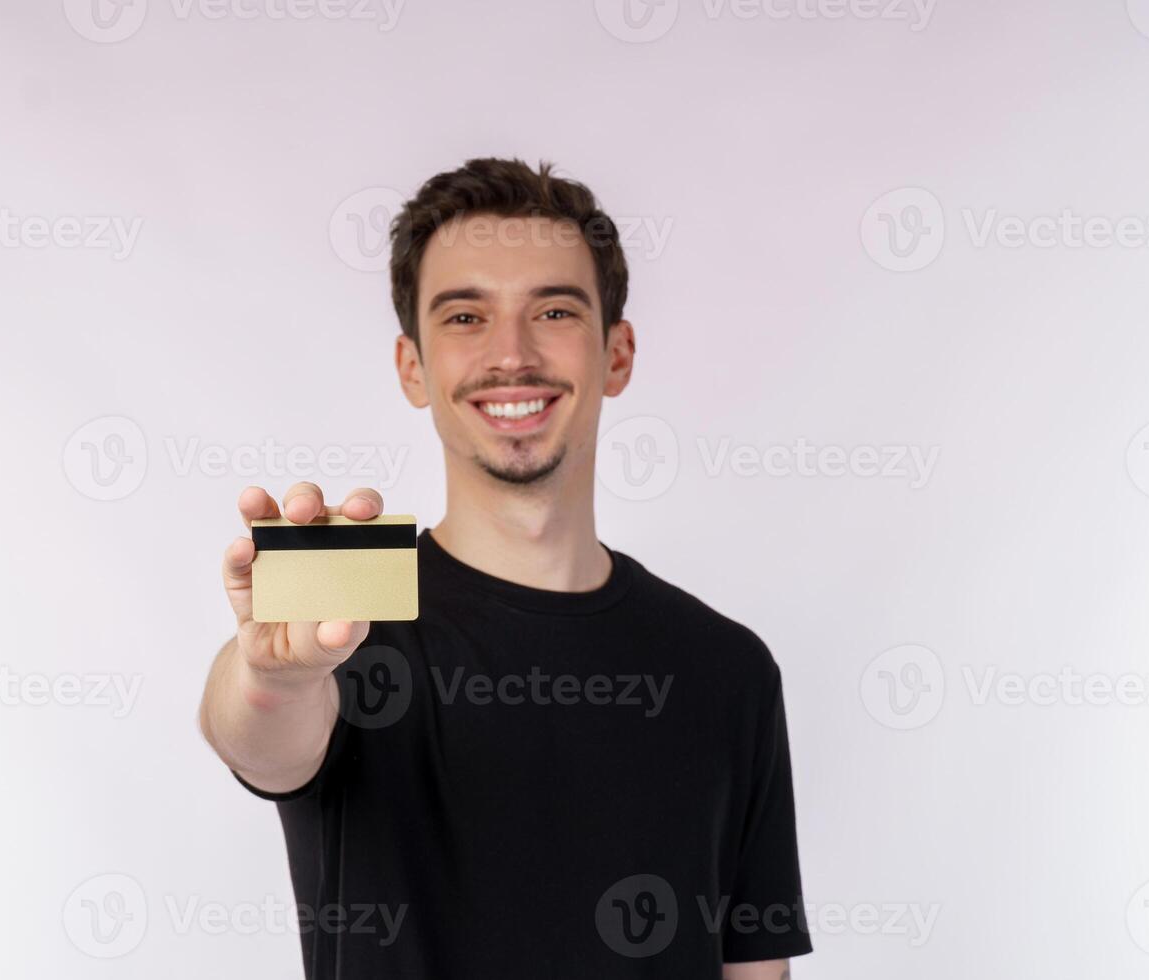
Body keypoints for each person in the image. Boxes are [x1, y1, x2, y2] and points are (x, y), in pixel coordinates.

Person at [199, 157, 811, 979]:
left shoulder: (727, 669)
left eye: (553, 310)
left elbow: (754, 970)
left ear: (617, 353)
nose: (511, 355)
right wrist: (272, 676)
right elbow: (259, 738)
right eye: (464, 317)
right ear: (413, 367)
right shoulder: (344, 626)